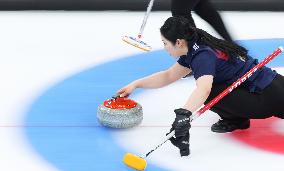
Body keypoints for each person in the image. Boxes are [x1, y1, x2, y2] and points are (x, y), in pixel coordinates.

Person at [116, 16, 284, 157]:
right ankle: (238, 118)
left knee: (211, 92)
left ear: (179, 42)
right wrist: (136, 84)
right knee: (214, 88)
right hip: (272, 86)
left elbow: (203, 89)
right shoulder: (196, 44)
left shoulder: (202, 56)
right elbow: (168, 76)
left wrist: (183, 115)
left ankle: (236, 118)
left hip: (265, 96)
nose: (165, 47)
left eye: (165, 43)